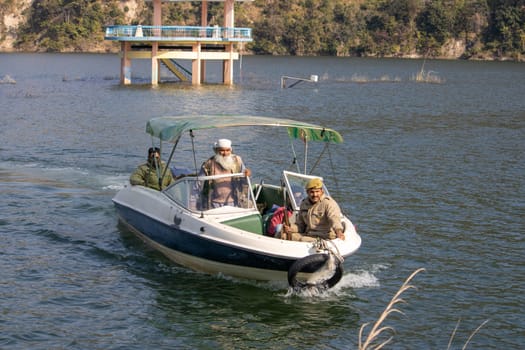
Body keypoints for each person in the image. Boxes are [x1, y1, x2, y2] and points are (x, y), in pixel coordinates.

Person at [199, 139, 251, 208]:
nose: (225, 153)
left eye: (227, 150)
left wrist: (247, 173)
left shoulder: (237, 161)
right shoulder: (208, 164)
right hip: (213, 204)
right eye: (222, 150)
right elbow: (198, 185)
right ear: (216, 151)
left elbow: (244, 177)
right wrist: (193, 207)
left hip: (235, 202)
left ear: (231, 150)